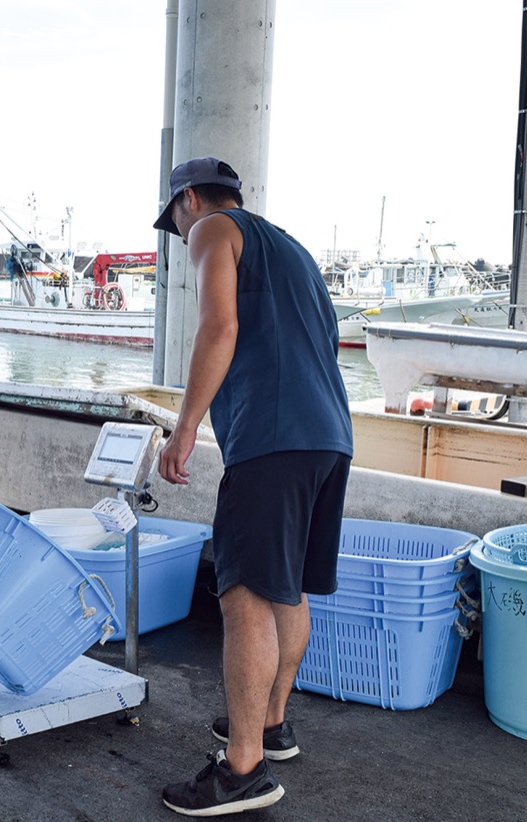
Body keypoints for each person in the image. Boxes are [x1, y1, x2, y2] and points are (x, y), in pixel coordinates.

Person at [152, 158, 353, 816]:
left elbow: (219, 327)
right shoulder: (291, 249)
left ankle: (242, 770)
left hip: (270, 438)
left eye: (174, 224)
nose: (181, 238)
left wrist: (183, 431)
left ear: (188, 200)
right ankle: (271, 724)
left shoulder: (214, 227)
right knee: (284, 586)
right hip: (328, 437)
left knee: (242, 596)